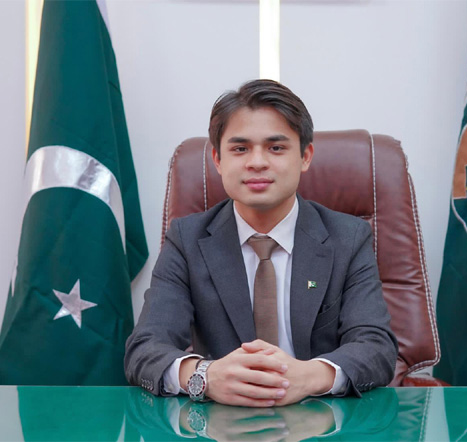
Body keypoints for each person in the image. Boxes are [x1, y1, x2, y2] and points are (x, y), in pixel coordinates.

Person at [125, 79, 397, 407]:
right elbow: (145, 348)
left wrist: (309, 377)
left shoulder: (348, 237)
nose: (257, 162)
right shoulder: (187, 239)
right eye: (240, 149)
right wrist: (206, 376)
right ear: (217, 159)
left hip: (322, 418)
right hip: (221, 419)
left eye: (276, 148)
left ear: (305, 156)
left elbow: (376, 347)